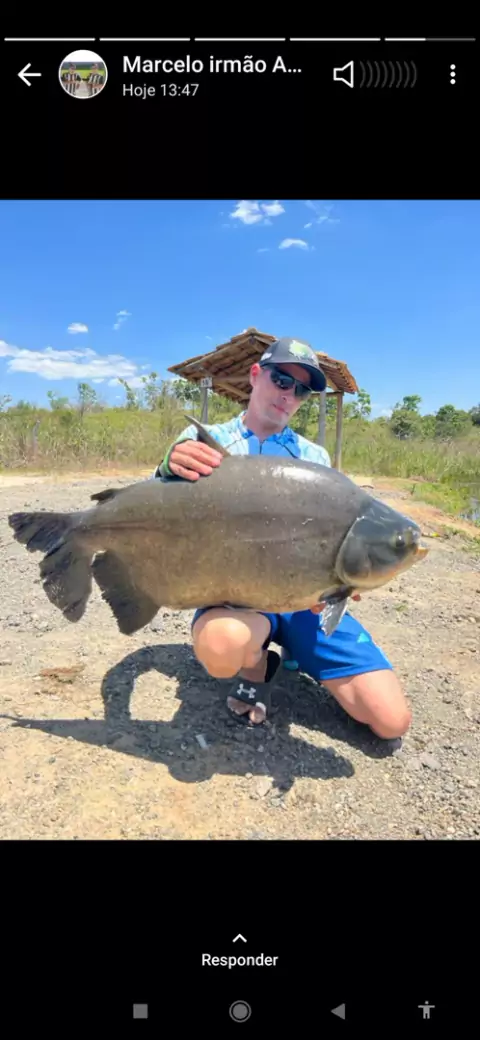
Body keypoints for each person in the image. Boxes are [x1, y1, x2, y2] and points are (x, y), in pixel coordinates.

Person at [152, 337, 412, 741]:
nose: (289, 394)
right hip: (236, 601)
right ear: (256, 375)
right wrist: (167, 467)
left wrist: (348, 579)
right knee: (221, 646)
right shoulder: (203, 440)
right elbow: (153, 508)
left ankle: (297, 647)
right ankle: (257, 667)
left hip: (304, 604)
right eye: (281, 380)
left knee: (391, 722)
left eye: (302, 390)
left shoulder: (314, 460)